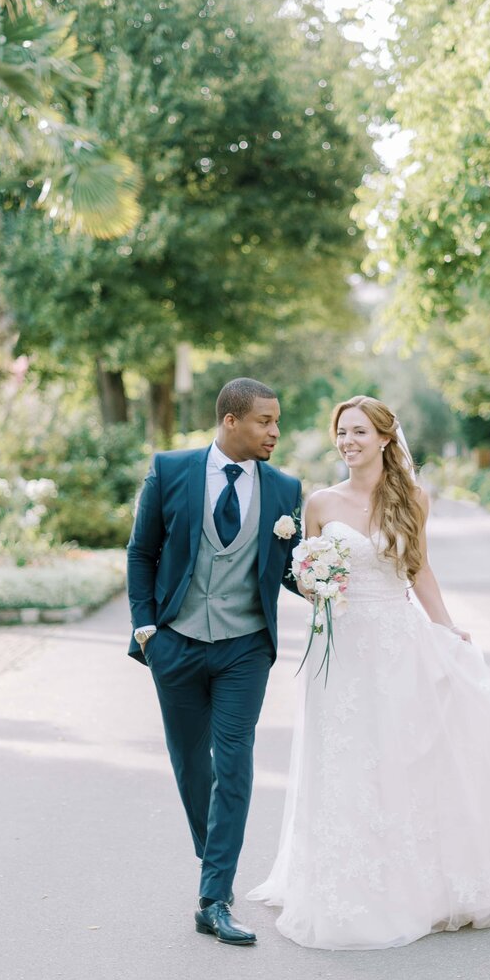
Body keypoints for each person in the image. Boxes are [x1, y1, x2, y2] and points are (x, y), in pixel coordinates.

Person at [248, 395, 490, 950]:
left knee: (404, 756)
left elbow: (419, 568)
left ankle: (416, 884)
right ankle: (343, 879)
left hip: (397, 641)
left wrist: (446, 626)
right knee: (344, 759)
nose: (348, 442)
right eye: (342, 432)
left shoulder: (411, 499)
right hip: (341, 649)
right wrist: (315, 584)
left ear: (385, 438)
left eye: (359, 431)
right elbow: (307, 577)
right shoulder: (318, 503)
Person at [126, 378, 302, 946]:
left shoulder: (284, 488)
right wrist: (147, 629)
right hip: (175, 642)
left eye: (277, 422)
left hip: (245, 647)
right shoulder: (171, 470)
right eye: (265, 422)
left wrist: (331, 580)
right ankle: (216, 861)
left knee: (235, 760)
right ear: (231, 421)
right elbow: (142, 551)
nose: (275, 431)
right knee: (189, 764)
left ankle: (214, 896)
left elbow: (285, 567)